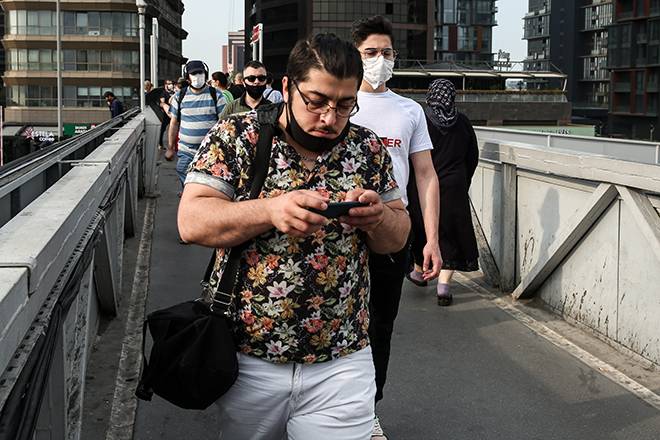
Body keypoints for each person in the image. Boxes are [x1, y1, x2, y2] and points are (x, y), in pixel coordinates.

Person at [178, 33, 410, 439]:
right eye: (316, 101)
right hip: (248, 355)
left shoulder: (367, 147)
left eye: (344, 105)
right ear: (287, 87)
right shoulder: (237, 135)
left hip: (343, 357)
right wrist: (269, 209)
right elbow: (191, 221)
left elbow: (398, 236)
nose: (329, 118)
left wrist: (378, 219)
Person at [349, 15, 441, 439]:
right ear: (356, 56)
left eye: (387, 53)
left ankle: (369, 411)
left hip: (392, 233)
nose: (380, 60)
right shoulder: (339, 102)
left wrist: (432, 241)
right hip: (339, 233)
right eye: (371, 53)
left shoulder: (411, 110)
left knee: (380, 326)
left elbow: (425, 175)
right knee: (330, 321)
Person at [407, 79, 480, 305]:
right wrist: (462, 180)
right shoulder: (463, 122)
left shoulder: (423, 121)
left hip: (426, 187)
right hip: (455, 187)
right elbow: (473, 156)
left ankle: (420, 272)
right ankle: (444, 287)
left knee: (424, 230)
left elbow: (412, 158)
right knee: (452, 235)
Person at [165, 60, 226, 184]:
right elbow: (174, 123)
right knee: (182, 170)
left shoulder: (216, 95)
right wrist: (170, 148)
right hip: (186, 149)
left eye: (200, 73)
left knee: (207, 181)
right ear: (187, 77)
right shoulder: (179, 96)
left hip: (210, 149)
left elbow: (223, 123)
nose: (198, 76)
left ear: (205, 74)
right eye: (194, 74)